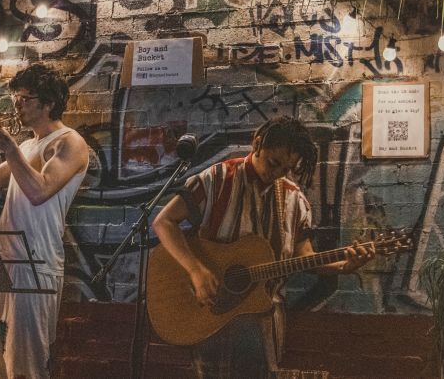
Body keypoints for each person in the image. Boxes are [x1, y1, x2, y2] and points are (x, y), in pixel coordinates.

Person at [152, 116, 375, 379]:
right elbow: (164, 222)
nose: (277, 173)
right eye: (273, 163)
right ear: (257, 144)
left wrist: (343, 267)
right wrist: (196, 271)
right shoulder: (216, 180)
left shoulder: (295, 201)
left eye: (287, 169)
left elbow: (306, 258)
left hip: (264, 323)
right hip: (212, 314)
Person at [0, 64, 89, 379]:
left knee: (26, 367)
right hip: (1, 258)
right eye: (16, 98)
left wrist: (7, 147)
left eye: (25, 99)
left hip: (34, 262)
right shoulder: (24, 146)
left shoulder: (70, 142)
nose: (17, 105)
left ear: (48, 103)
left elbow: (40, 191)